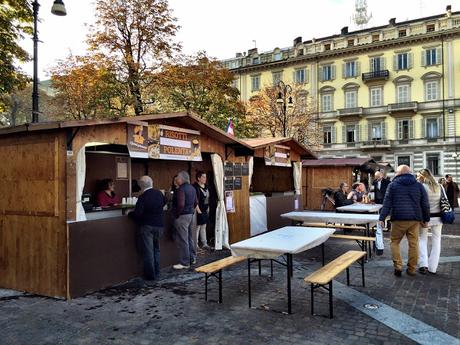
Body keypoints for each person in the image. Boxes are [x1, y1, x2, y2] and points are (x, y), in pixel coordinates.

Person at [379, 165, 430, 277]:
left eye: (396, 172)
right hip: (414, 219)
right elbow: (425, 204)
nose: (395, 174)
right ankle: (411, 269)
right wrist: (426, 219)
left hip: (398, 218)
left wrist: (381, 218)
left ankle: (398, 266)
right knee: (413, 244)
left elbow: (387, 203)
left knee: (395, 242)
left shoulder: (392, 185)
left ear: (400, 173)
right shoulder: (418, 185)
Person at [128, 176, 166, 283]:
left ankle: (150, 275)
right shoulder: (159, 193)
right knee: (157, 249)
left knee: (149, 251)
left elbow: (138, 213)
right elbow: (164, 202)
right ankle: (157, 271)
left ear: (140, 186)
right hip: (159, 225)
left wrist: (130, 214)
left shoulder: (143, 197)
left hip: (147, 226)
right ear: (151, 183)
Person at [417, 169, 443, 275]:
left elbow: (420, 204)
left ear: (423, 177)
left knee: (422, 239)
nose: (417, 178)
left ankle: (423, 265)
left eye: (418, 176)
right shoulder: (440, 186)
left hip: (425, 218)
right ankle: (433, 268)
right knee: (437, 242)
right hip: (438, 218)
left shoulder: (422, 187)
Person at [173, 171, 198, 270]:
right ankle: (192, 258)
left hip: (183, 215)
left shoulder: (181, 189)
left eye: (178, 178)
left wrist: (177, 214)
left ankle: (185, 262)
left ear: (182, 179)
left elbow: (180, 204)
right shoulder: (192, 188)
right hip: (191, 214)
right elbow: (196, 202)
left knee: (183, 240)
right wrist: (191, 209)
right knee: (189, 238)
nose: (176, 179)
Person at [193, 171, 210, 250]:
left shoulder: (206, 186)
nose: (205, 179)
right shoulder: (195, 187)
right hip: (198, 210)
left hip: (205, 210)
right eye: (203, 177)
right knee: (197, 228)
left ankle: (204, 243)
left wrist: (208, 207)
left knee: (204, 226)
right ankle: (195, 245)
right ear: (198, 178)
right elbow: (194, 200)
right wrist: (198, 211)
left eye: (205, 177)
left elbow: (208, 198)